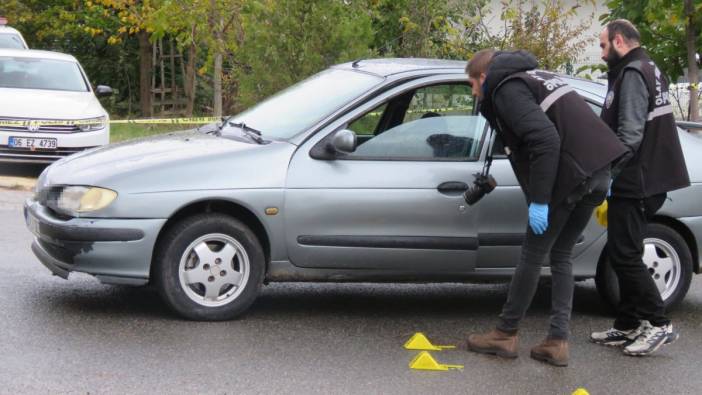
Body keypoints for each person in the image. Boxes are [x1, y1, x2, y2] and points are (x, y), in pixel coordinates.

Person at [465, 49, 627, 367]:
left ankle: (505, 333)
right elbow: (574, 124)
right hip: (597, 173)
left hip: (571, 177)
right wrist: (604, 175)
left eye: (471, 83)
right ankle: (557, 341)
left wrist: (540, 200)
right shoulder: (537, 77)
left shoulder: (507, 89)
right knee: (562, 253)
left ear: (484, 76)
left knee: (532, 254)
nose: (472, 92)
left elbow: (545, 140)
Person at [589, 19, 690, 357]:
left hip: (637, 179)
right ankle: (628, 324)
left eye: (603, 46)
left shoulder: (632, 73)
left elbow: (629, 135)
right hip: (646, 177)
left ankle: (659, 324)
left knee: (625, 254)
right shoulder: (649, 67)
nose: (602, 54)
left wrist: (608, 175)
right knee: (624, 251)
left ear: (619, 41)